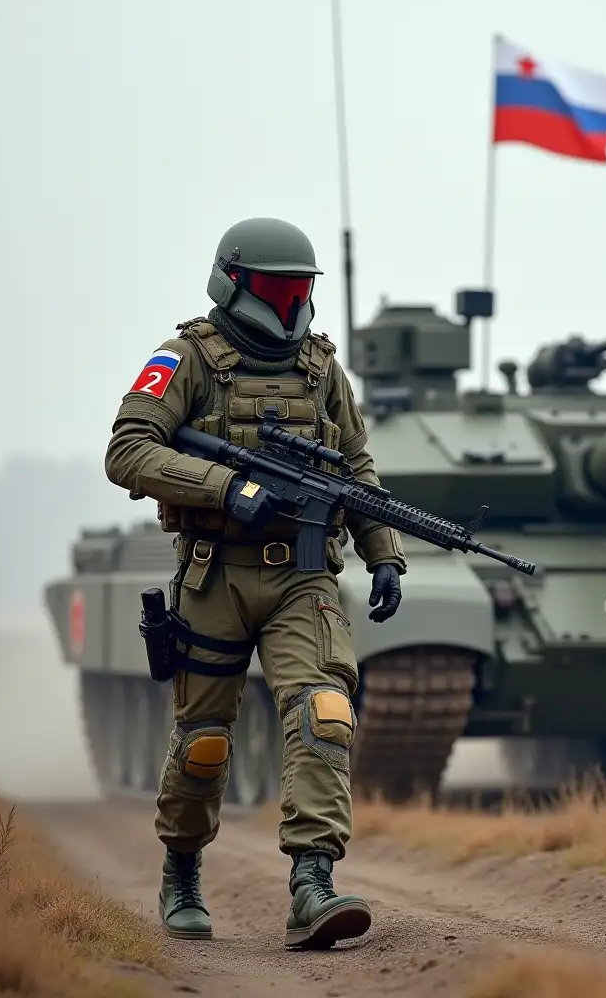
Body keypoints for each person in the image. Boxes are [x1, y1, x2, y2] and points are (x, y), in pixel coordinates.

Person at [104, 217, 405, 950]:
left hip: (303, 577)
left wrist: (384, 549)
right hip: (215, 576)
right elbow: (128, 449)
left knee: (325, 710)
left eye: (299, 287)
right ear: (234, 282)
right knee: (205, 740)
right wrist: (223, 487)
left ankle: (313, 882)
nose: (290, 300)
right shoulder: (186, 359)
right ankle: (181, 869)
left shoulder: (321, 369)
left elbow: (356, 470)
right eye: (276, 286)